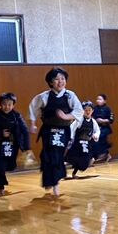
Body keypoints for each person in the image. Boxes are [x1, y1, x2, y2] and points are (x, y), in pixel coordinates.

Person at [29, 67, 83, 197]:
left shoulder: (70, 95)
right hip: (49, 130)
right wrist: (33, 124)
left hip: (63, 131)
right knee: (47, 156)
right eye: (57, 79)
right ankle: (51, 181)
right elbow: (33, 108)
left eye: (63, 79)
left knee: (57, 156)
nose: (60, 81)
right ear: (50, 82)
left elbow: (78, 110)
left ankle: (55, 182)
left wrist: (66, 116)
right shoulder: (44, 96)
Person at [0, 93, 31, 196]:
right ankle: (1, 187)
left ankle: (3, 173)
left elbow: (25, 131)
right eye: (4, 104)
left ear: (13, 105)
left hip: (13, 145)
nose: (7, 107)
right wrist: (0, 133)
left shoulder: (17, 116)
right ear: (0, 104)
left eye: (9, 104)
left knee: (10, 165)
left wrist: (27, 147)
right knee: (0, 166)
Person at [65, 101, 100, 178]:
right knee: (72, 158)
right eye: (85, 110)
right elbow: (72, 128)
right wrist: (70, 138)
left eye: (89, 110)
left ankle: (74, 172)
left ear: (92, 111)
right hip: (77, 143)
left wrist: (96, 135)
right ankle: (64, 171)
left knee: (85, 161)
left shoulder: (93, 121)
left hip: (86, 143)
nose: (87, 112)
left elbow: (97, 130)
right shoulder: (79, 120)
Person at [92, 94, 114, 163]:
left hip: (105, 128)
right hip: (97, 128)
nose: (98, 101)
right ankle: (107, 154)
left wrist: (103, 120)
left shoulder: (108, 109)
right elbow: (91, 117)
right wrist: (96, 120)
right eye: (97, 99)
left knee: (101, 138)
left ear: (104, 101)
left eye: (100, 99)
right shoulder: (94, 109)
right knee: (96, 140)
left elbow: (111, 119)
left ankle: (104, 154)